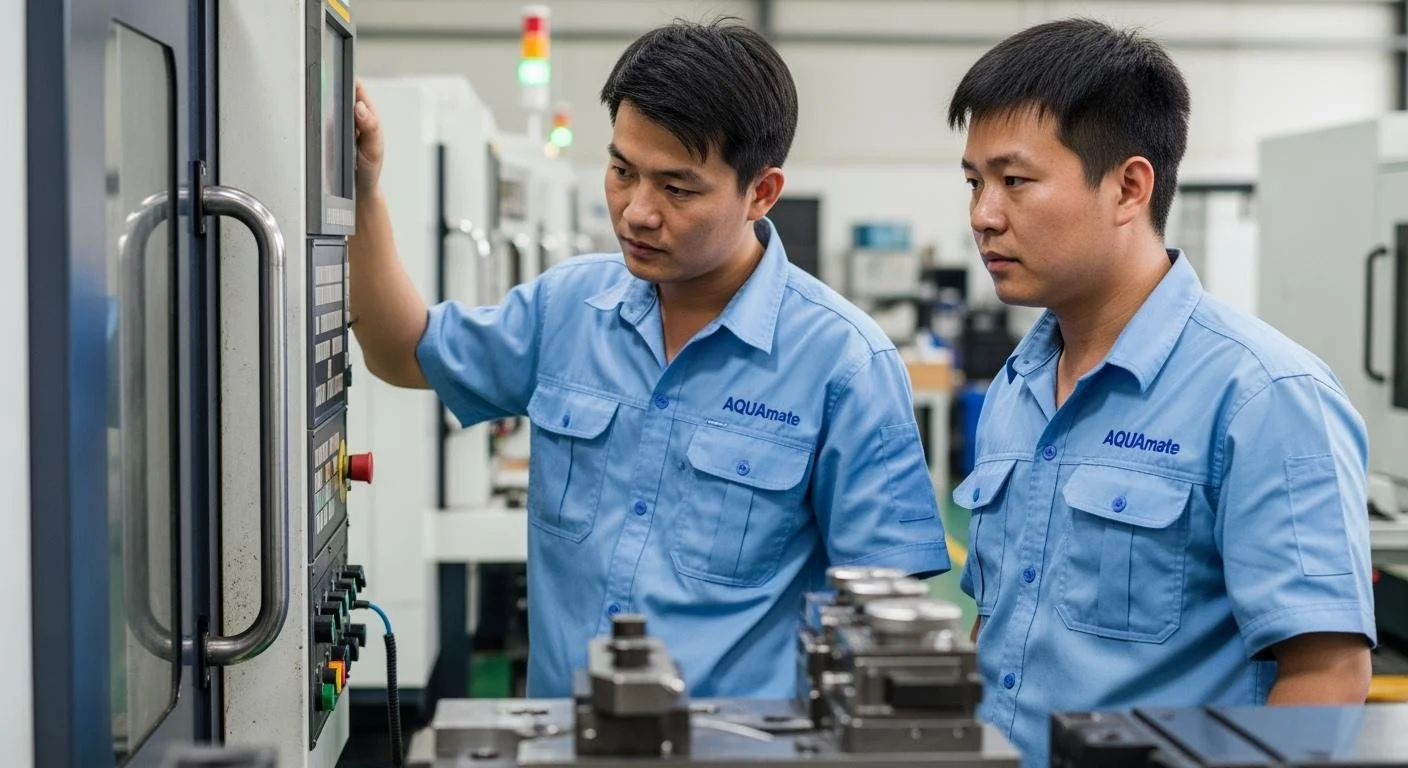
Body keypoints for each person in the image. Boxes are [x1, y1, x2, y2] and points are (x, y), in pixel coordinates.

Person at [347, 18, 950, 699]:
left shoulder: (844, 364)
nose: (636, 211)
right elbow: (402, 351)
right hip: (565, 739)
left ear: (762, 192)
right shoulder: (568, 310)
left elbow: (885, 615)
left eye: (677, 188)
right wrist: (365, 193)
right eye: (621, 171)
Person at [946, 17, 1376, 766]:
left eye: (1015, 180)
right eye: (975, 182)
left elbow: (1328, 675)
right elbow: (1002, 625)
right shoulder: (1018, 389)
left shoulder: (1263, 396)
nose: (983, 214)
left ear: (1129, 186)